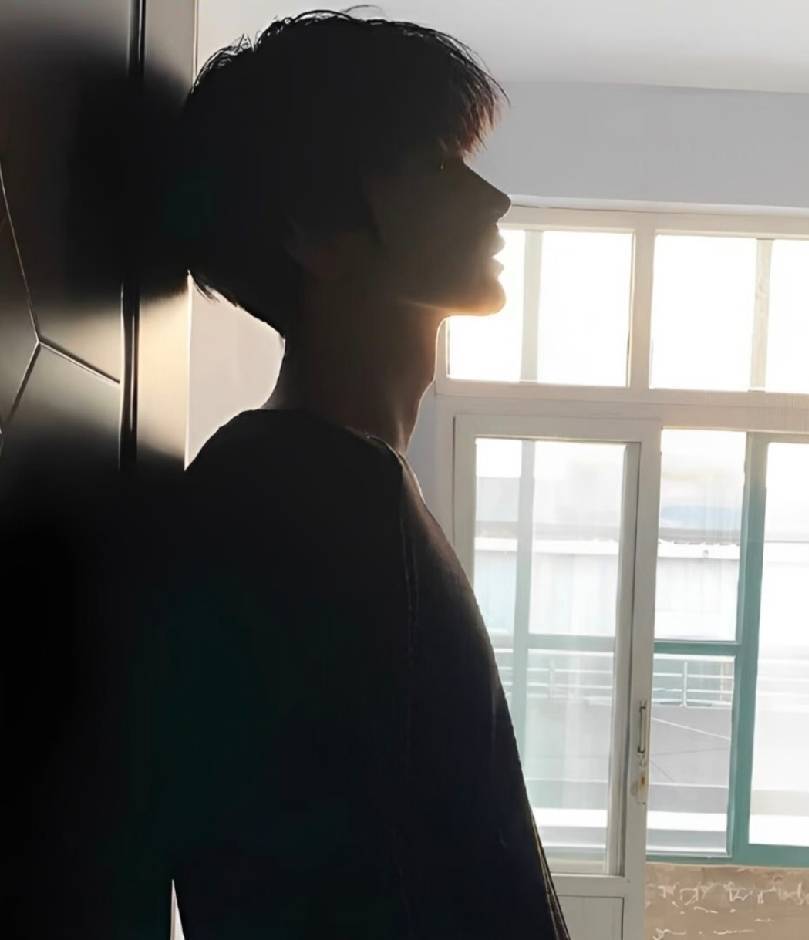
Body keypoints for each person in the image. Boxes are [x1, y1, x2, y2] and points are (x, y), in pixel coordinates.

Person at [168, 10, 570, 938]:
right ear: (317, 229)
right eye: (439, 166)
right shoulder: (303, 494)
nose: (495, 201)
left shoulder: (335, 475)